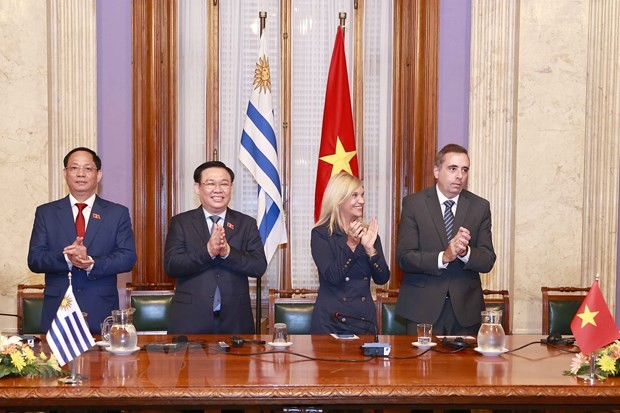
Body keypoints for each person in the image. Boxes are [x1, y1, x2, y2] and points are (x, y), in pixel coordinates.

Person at [28, 147, 137, 333]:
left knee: (99, 362)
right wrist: (66, 258)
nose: (81, 174)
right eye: (74, 168)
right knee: (55, 363)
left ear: (99, 174)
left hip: (100, 310)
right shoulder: (46, 212)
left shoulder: (117, 213)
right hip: (58, 310)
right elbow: (35, 259)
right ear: (65, 173)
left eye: (88, 168)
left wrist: (91, 263)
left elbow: (127, 258)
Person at [396, 143, 496, 336]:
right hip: (422, 311)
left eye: (464, 170)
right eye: (452, 168)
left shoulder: (479, 207)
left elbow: (487, 260)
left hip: (466, 313)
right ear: (436, 171)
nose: (459, 175)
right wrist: (444, 256)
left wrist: (466, 252)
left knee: (466, 367)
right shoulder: (414, 204)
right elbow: (404, 258)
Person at [164, 160, 267, 334]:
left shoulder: (246, 223)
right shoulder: (181, 222)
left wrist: (228, 253)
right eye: (210, 183)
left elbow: (258, 266)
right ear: (198, 188)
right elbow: (172, 266)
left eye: (224, 184)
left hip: (236, 321)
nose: (218, 189)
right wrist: (208, 252)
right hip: (190, 319)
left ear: (231, 187)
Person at [310, 172, 390, 335]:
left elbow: (383, 278)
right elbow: (332, 277)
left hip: (364, 321)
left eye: (362, 194)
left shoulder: (368, 233)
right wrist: (351, 245)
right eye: (355, 195)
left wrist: (370, 250)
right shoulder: (321, 234)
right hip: (331, 321)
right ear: (338, 199)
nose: (362, 201)